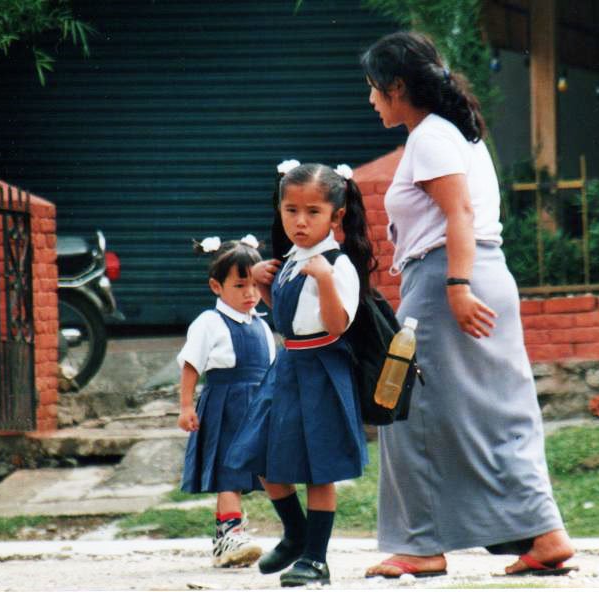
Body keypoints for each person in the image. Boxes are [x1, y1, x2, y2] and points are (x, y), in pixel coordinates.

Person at [360, 31, 576, 578]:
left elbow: (457, 215)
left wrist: (456, 286)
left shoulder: (430, 138)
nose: (371, 100)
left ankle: (420, 546)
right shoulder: (461, 133)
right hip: (484, 273)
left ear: (399, 86)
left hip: (447, 281)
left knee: (405, 407)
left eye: (374, 89)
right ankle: (545, 534)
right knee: (499, 412)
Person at [226, 162, 373, 587]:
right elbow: (290, 317)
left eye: (312, 212)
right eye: (291, 211)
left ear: (336, 215)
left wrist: (326, 279)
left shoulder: (336, 263)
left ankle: (316, 558)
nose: (300, 222)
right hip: (287, 365)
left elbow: (334, 324)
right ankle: (295, 533)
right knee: (262, 455)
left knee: (317, 467)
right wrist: (265, 285)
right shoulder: (292, 259)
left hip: (321, 369)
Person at [177, 235, 275, 568]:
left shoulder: (262, 326)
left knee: (251, 473)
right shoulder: (210, 323)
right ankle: (232, 531)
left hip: (257, 408)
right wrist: (186, 406)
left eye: (255, 285)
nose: (250, 293)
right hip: (225, 408)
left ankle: (224, 539)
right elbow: (192, 364)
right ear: (216, 287)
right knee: (228, 471)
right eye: (240, 285)